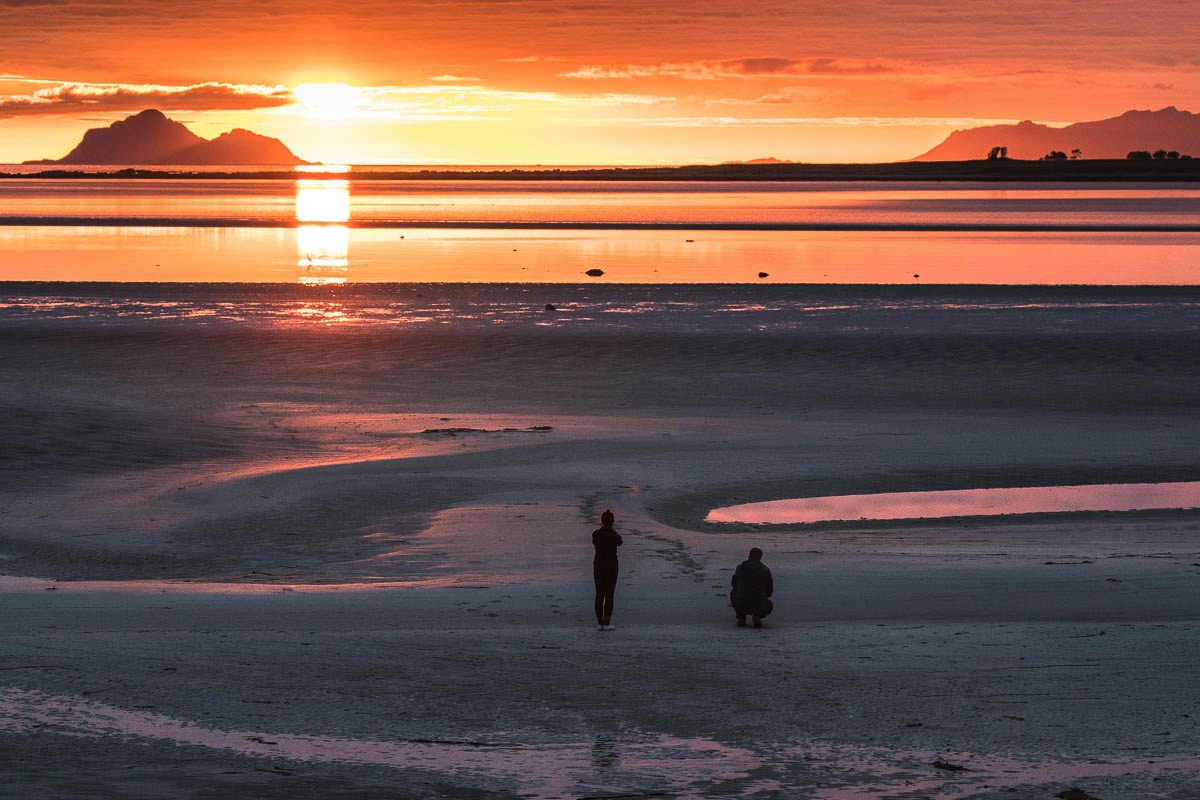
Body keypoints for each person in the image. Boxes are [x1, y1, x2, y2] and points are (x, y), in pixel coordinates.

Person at [592, 509, 623, 631]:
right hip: (611, 567)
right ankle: (607, 622)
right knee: (609, 595)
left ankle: (600, 623)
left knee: (599, 594)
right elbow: (620, 542)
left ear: (601, 521)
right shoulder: (614, 535)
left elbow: (595, 542)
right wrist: (611, 529)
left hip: (598, 566)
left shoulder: (596, 534)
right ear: (612, 522)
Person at [730, 547, 773, 628]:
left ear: (749, 556)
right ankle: (757, 616)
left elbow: (733, 584)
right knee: (770, 605)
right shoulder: (765, 570)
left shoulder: (740, 568)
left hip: (741, 603)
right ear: (760, 557)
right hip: (759, 604)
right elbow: (770, 591)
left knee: (733, 593)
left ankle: (741, 617)